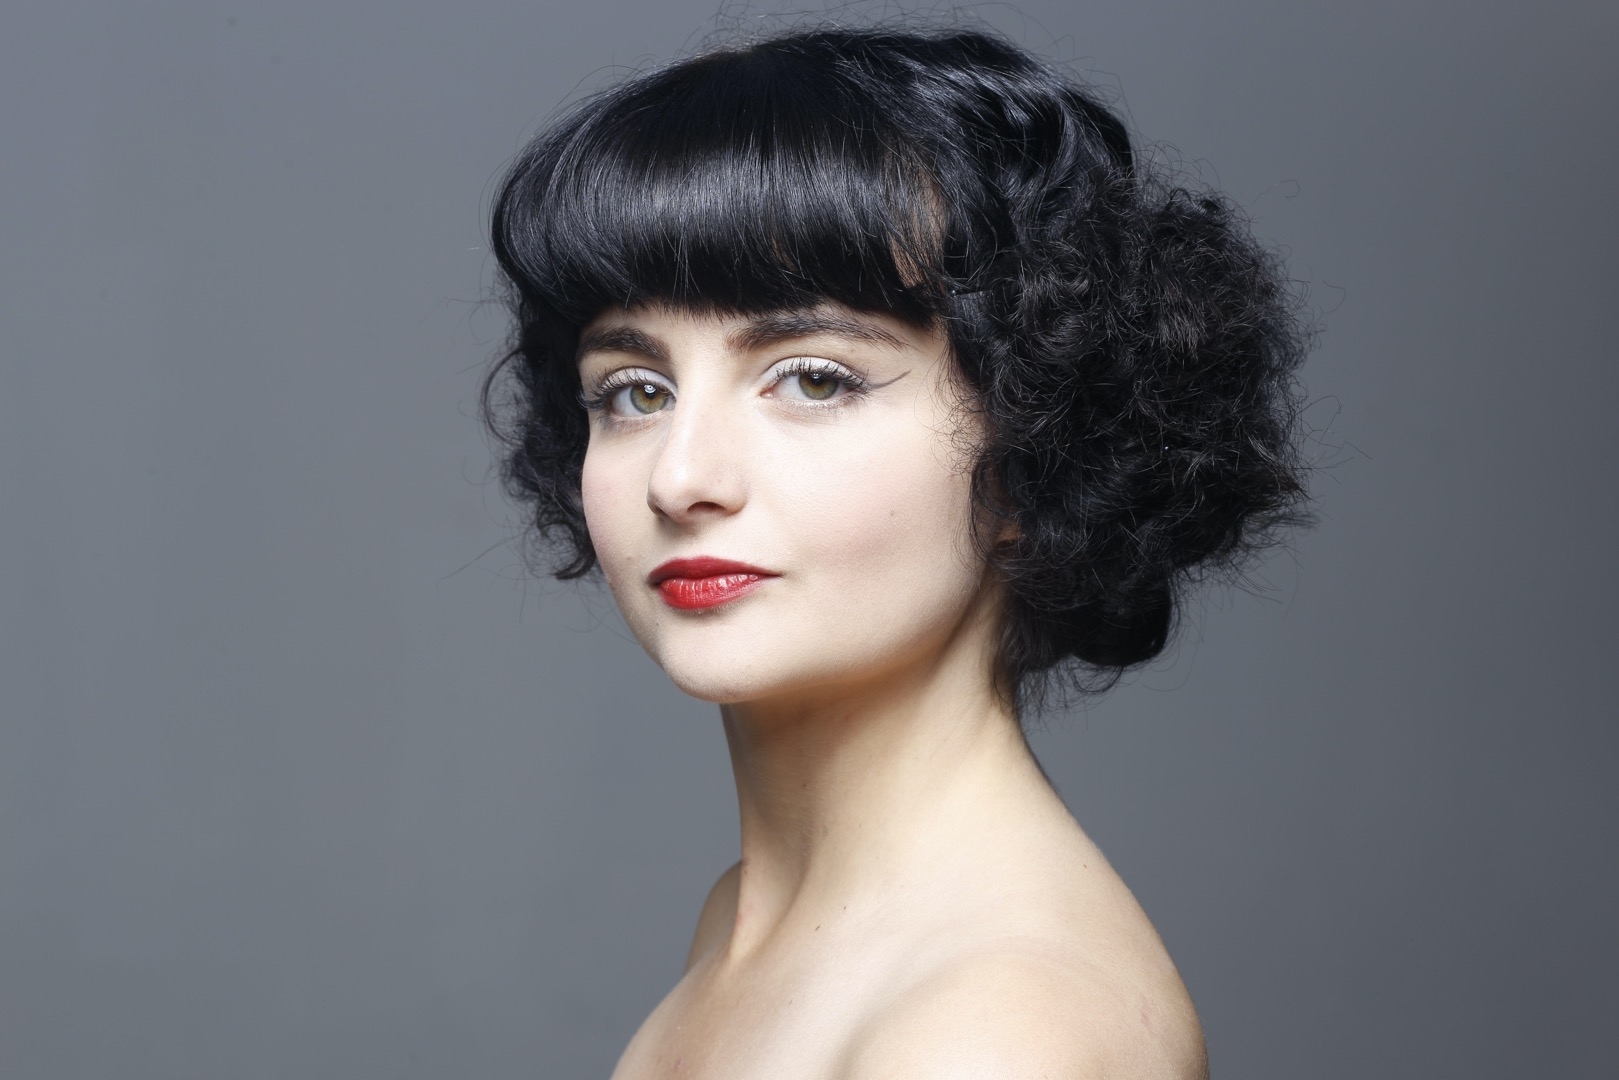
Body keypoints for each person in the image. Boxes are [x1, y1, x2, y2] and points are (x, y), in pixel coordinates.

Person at [483, 22, 1310, 1079]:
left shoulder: (994, 1035)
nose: (679, 478)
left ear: (1032, 440)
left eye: (812, 378)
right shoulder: (751, 925)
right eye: (635, 392)